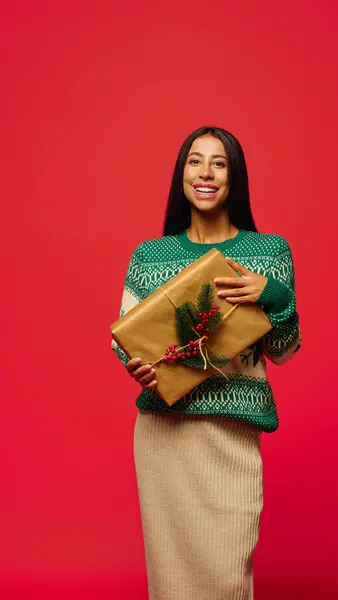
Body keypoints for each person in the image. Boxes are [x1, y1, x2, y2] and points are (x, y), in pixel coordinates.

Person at [111, 126, 302, 600]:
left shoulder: (268, 252)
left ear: (234, 178)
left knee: (227, 577)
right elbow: (127, 344)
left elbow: (284, 351)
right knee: (172, 581)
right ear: (181, 174)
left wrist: (273, 295)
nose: (206, 173)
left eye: (219, 163)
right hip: (165, 438)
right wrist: (137, 369)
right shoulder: (150, 256)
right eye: (195, 161)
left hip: (231, 434)